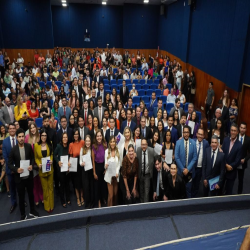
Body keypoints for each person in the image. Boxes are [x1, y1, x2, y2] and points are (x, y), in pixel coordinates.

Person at [8, 128, 39, 220]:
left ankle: (32, 210)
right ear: (17, 138)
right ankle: (22, 214)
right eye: (19, 137)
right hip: (19, 178)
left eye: (22, 136)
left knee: (31, 195)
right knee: (21, 197)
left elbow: (33, 158)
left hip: (29, 176)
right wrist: (16, 169)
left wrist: (31, 165)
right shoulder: (13, 150)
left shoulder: (29, 146)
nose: (21, 138)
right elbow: (9, 164)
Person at [34, 129, 54, 212]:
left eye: (45, 135)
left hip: (50, 170)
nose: (44, 137)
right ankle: (47, 206)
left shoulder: (50, 143)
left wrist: (52, 160)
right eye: (42, 135)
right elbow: (36, 158)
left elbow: (52, 154)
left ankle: (51, 205)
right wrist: (38, 164)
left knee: (51, 188)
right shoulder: (36, 145)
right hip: (42, 171)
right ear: (40, 136)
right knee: (45, 189)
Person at [175, 125, 198, 198]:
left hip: (189, 172)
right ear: (182, 133)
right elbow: (176, 157)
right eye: (184, 132)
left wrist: (187, 169)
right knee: (179, 192)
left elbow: (195, 157)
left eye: (187, 132)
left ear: (189, 133)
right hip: (180, 173)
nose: (186, 134)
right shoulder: (178, 143)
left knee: (189, 191)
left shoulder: (193, 143)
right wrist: (183, 169)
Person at [25, 122, 43, 206]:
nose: (32, 129)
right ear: (29, 129)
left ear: (36, 128)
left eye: (33, 127)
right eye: (31, 128)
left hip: (40, 162)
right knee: (34, 182)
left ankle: (41, 196)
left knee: (40, 181)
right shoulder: (27, 138)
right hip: (32, 163)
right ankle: (36, 198)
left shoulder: (40, 136)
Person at [222, 123, 242, 195]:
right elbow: (222, 155)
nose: (233, 132)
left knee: (228, 192)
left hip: (232, 172)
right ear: (230, 131)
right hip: (223, 170)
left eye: (234, 131)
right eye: (231, 130)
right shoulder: (225, 140)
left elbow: (237, 160)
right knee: (219, 189)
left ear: (237, 132)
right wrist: (226, 165)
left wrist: (230, 166)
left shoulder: (239, 145)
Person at [2, 123, 18, 213]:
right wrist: (12, 168)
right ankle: (13, 203)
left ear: (15, 129)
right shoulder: (5, 141)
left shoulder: (19, 139)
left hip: (19, 169)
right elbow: (5, 157)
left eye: (13, 128)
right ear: (8, 130)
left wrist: (17, 168)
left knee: (20, 187)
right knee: (12, 188)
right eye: (10, 129)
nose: (12, 130)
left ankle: (22, 201)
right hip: (10, 170)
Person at [54, 132, 71, 208]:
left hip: (67, 169)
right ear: (61, 138)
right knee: (62, 185)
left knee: (67, 185)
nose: (65, 139)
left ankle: (68, 198)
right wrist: (58, 161)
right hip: (60, 169)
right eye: (63, 137)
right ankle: (62, 200)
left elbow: (71, 155)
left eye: (66, 137)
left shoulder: (69, 146)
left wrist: (70, 162)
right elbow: (54, 155)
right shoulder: (58, 146)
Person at [68, 128, 85, 206]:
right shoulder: (71, 144)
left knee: (81, 182)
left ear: (79, 135)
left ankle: (82, 197)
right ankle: (78, 198)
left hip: (81, 165)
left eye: (77, 134)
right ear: (73, 135)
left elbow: (85, 153)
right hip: (74, 165)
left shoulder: (82, 142)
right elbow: (71, 157)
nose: (76, 135)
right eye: (75, 134)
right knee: (76, 183)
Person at [192, 128, 210, 197]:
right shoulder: (192, 142)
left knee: (197, 184)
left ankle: (194, 198)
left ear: (203, 136)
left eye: (201, 135)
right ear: (196, 134)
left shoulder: (206, 143)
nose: (200, 136)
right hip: (192, 168)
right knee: (191, 184)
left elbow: (209, 152)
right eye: (199, 134)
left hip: (200, 168)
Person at [92, 129, 107, 208]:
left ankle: (103, 198)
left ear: (102, 136)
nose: (99, 137)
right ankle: (98, 202)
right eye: (97, 136)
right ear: (95, 137)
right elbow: (93, 161)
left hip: (103, 166)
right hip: (97, 167)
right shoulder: (94, 146)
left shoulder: (105, 144)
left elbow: (107, 157)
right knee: (97, 186)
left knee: (103, 185)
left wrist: (106, 169)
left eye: (100, 136)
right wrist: (94, 172)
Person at [137, 138, 155, 203]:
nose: (144, 146)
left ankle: (146, 207)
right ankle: (141, 206)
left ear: (147, 144)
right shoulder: (138, 150)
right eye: (142, 144)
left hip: (148, 175)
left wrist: (164, 163)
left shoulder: (151, 150)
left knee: (146, 193)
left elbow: (158, 157)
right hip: (140, 175)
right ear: (141, 145)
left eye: (145, 144)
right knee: (141, 192)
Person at [104, 136, 121, 206]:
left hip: (116, 176)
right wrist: (105, 166)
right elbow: (105, 164)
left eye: (114, 141)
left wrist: (117, 173)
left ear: (115, 142)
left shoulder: (118, 151)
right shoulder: (106, 151)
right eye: (111, 142)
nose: (112, 143)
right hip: (109, 176)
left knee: (115, 195)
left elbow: (119, 164)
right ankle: (108, 210)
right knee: (110, 196)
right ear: (109, 143)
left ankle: (114, 210)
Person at [79, 135, 94, 209]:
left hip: (91, 171)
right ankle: (87, 202)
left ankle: (91, 202)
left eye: (89, 141)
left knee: (91, 187)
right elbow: (80, 161)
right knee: (86, 187)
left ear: (90, 142)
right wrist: (82, 163)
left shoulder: (92, 149)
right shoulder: (82, 149)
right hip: (84, 171)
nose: (88, 142)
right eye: (86, 141)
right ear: (85, 141)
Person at [237, 122, 250, 194]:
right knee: (230, 178)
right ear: (239, 128)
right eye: (241, 127)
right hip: (234, 162)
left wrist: (245, 159)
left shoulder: (248, 139)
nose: (242, 129)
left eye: (244, 128)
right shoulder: (235, 137)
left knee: (240, 179)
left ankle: (239, 194)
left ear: (246, 129)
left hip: (242, 163)